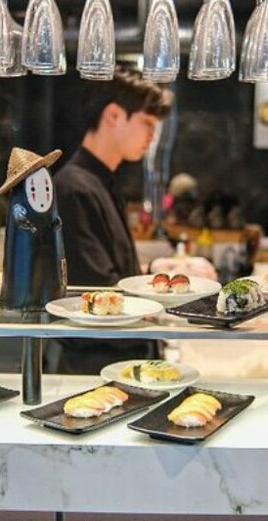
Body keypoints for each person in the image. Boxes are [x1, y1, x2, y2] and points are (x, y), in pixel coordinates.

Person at [50, 67, 173, 374]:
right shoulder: (73, 187)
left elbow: (117, 273)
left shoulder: (101, 180)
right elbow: (98, 289)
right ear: (114, 116)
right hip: (96, 366)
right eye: (147, 122)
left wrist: (157, 274)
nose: (152, 135)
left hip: (122, 357)